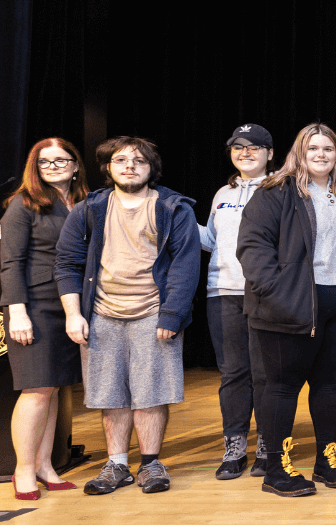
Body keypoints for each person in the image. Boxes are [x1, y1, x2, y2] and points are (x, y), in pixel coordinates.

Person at [237, 123, 336, 497]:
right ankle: (276, 468)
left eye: (329, 149)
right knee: (282, 387)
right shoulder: (275, 193)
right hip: (292, 307)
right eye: (313, 148)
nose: (321, 155)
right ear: (298, 153)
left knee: (329, 384)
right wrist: (282, 298)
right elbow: (253, 251)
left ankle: (326, 459)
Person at [54, 136, 201, 495]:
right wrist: (74, 314)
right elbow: (66, 263)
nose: (130, 166)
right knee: (110, 395)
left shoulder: (173, 207)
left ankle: (150, 464)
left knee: (151, 394)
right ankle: (117, 464)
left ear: (152, 167)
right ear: (108, 167)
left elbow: (185, 265)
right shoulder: (88, 209)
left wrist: (172, 315)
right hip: (101, 313)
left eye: (139, 161)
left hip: (153, 311)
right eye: (121, 160)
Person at [2, 138, 89, 500]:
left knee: (53, 389)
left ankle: (45, 465)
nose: (52, 167)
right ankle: (22, 471)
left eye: (60, 160)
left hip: (69, 306)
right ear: (34, 168)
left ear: (74, 165)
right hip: (33, 306)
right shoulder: (21, 205)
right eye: (44, 163)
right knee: (36, 390)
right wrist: (16, 310)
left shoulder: (84, 202)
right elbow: (9, 263)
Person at [200, 123, 274, 480]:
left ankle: (266, 445)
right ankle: (234, 446)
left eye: (254, 147)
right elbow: (211, 240)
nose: (246, 153)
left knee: (265, 372)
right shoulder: (221, 193)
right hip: (223, 292)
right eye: (238, 148)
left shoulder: (281, 188)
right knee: (233, 373)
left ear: (270, 153)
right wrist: (175, 218)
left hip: (265, 293)